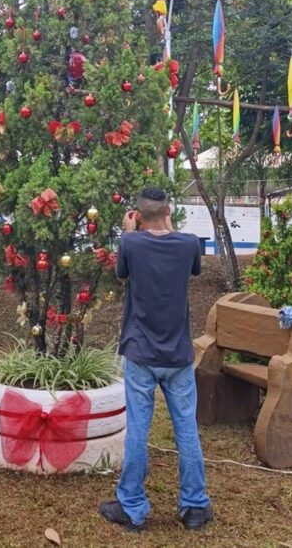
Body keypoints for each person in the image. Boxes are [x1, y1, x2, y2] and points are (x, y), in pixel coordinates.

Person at [99, 187, 214, 532]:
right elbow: (193, 268)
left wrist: (127, 230)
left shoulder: (131, 243)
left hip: (140, 352)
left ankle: (132, 506)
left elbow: (121, 273)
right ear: (169, 211)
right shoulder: (189, 243)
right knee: (186, 430)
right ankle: (194, 506)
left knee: (138, 429)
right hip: (177, 354)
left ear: (137, 214)